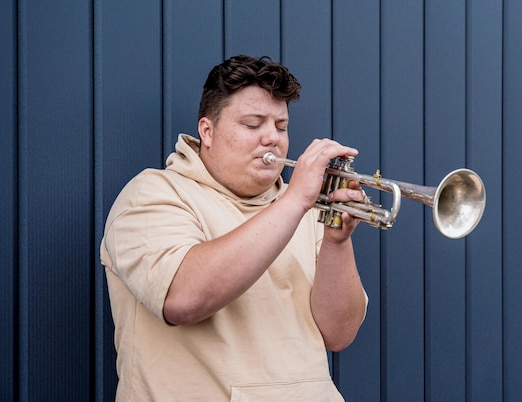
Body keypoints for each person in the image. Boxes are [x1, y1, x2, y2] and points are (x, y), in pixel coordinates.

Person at [100, 55, 368, 401]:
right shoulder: (153, 194)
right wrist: (296, 201)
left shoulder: (302, 206)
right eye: (253, 124)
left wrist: (336, 241)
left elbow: (339, 333)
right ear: (207, 131)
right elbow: (182, 298)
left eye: (281, 126)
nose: (272, 138)